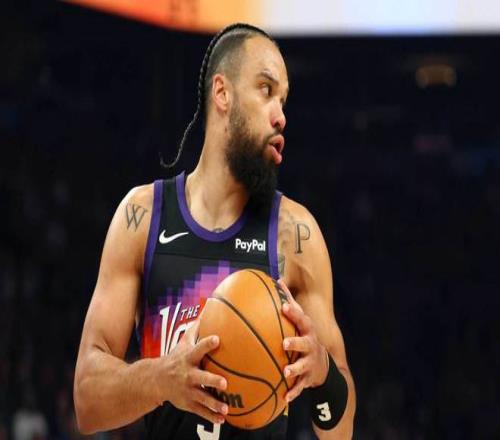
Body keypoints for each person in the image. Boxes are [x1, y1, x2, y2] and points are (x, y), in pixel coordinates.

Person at [73, 23, 356, 439]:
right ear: (222, 93)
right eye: (265, 89)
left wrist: (324, 373)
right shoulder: (143, 217)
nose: (280, 116)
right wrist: (162, 379)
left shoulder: (296, 235)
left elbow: (341, 432)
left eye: (283, 100)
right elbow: (86, 400)